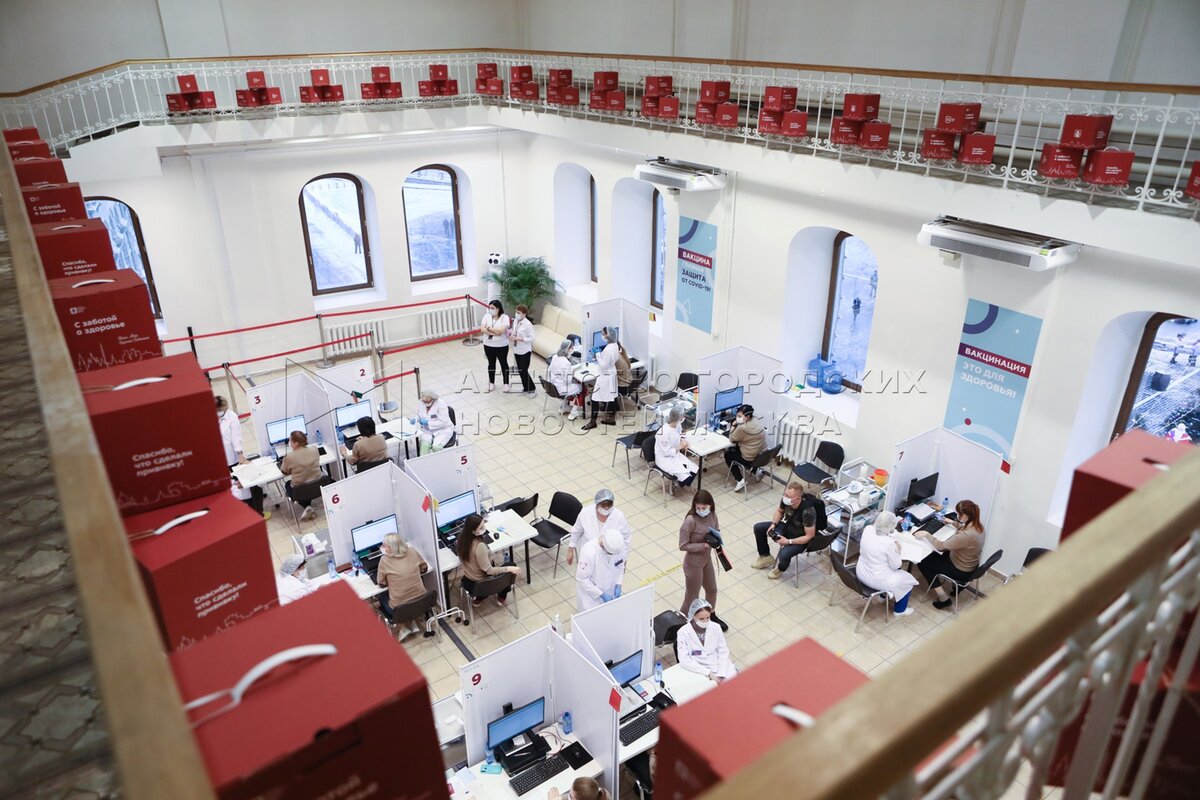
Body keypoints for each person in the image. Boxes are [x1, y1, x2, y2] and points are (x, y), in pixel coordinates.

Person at [916, 499, 985, 609]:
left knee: (923, 561)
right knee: (935, 555)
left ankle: (943, 599)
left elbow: (941, 546)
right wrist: (951, 522)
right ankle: (955, 588)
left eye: (958, 514)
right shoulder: (978, 526)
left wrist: (926, 534)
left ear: (964, 516)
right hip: (970, 564)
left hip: (961, 570)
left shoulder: (966, 536)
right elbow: (964, 528)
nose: (957, 516)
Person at [751, 483, 828, 579]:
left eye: (788, 496)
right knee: (758, 528)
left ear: (797, 499)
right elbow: (779, 511)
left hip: (801, 538)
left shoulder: (807, 511)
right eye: (785, 494)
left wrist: (788, 542)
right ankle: (765, 556)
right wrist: (774, 524)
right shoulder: (786, 500)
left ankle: (780, 569)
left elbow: (809, 536)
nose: (785, 497)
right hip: (788, 527)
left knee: (784, 554)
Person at [856, 510, 917, 617]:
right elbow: (896, 565)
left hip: (861, 572)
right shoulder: (889, 544)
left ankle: (882, 598)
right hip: (876, 580)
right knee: (908, 580)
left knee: (888, 570)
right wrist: (897, 549)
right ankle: (900, 610)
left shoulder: (868, 529)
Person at [217, 395, 268, 519]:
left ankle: (257, 512)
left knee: (247, 485)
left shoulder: (231, 417)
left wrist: (240, 455)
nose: (219, 412)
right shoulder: (209, 417)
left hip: (233, 458)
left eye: (221, 410)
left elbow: (236, 438)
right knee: (232, 487)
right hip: (220, 459)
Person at [457, 513, 520, 606]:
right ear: (474, 531)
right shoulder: (480, 546)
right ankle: (501, 595)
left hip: (469, 580)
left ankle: (480, 598)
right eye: (481, 527)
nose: (484, 529)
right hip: (482, 584)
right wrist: (509, 569)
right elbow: (489, 571)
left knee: (490, 564)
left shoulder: (461, 540)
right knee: (511, 565)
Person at [376, 532, 430, 640]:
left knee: (382, 597)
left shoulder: (384, 560)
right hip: (421, 602)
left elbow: (381, 583)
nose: (381, 547)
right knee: (407, 596)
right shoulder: (412, 551)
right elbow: (424, 568)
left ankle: (404, 627)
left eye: (384, 545)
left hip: (399, 610)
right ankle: (410, 624)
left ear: (391, 548)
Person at [679, 489, 720, 618]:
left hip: (706, 560)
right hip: (693, 564)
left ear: (710, 505)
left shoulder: (712, 515)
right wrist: (704, 546)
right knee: (692, 598)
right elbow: (683, 545)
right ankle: (681, 621)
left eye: (704, 508)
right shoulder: (690, 521)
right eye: (698, 508)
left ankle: (710, 616)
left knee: (712, 590)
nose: (701, 511)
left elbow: (717, 530)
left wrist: (716, 539)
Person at [676, 599, 737, 684]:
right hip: (697, 668)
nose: (705, 621)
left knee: (732, 684)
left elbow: (723, 650)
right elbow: (684, 659)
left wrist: (721, 673)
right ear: (693, 616)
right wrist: (707, 673)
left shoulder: (716, 627)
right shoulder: (683, 632)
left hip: (719, 664)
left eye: (708, 618)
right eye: (701, 619)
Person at [568, 488, 633, 565]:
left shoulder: (619, 517)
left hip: (609, 559)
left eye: (608, 508)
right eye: (603, 507)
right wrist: (570, 550)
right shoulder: (586, 513)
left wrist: (624, 558)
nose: (606, 510)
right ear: (597, 504)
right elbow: (576, 531)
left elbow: (626, 538)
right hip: (587, 555)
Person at [576, 530, 628, 611]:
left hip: (611, 590)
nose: (612, 556)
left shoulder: (620, 547)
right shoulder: (588, 552)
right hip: (591, 598)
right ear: (603, 546)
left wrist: (618, 583)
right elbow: (582, 578)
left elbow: (621, 566)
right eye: (610, 554)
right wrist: (601, 594)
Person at [582, 327, 620, 430]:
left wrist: (598, 354)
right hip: (611, 373)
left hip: (605, 376)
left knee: (595, 398)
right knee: (612, 396)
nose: (602, 336)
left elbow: (603, 366)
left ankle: (592, 422)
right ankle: (611, 419)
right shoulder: (615, 345)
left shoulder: (608, 350)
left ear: (608, 335)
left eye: (603, 334)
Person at [281, 430, 323, 521]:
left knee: (288, 484)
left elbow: (284, 472)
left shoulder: (288, 457)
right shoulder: (314, 449)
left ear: (296, 443)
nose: (289, 443)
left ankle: (307, 506)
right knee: (307, 482)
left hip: (299, 492)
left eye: (290, 441)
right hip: (317, 487)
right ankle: (308, 506)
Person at [725, 404, 767, 492]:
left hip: (749, 460)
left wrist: (733, 425)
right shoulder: (756, 420)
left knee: (728, 454)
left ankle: (739, 480)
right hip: (762, 456)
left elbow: (731, 438)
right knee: (745, 447)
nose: (737, 418)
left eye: (740, 416)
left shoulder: (742, 428)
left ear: (747, 417)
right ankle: (756, 471)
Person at [654, 407, 698, 486]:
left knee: (695, 469)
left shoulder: (677, 425)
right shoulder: (663, 433)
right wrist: (680, 447)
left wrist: (684, 441)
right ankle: (676, 483)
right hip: (664, 459)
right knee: (687, 479)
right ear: (678, 417)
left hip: (676, 454)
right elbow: (666, 452)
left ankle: (678, 481)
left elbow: (680, 435)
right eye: (682, 416)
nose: (684, 418)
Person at [479, 299, 511, 391]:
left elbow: (501, 330)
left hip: (502, 346)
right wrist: (494, 333)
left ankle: (506, 383)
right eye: (489, 308)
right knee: (491, 364)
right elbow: (482, 329)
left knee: (503, 364)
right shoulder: (486, 316)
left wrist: (489, 328)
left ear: (498, 308)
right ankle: (491, 382)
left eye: (492, 308)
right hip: (488, 345)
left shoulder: (505, 317)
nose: (490, 310)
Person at [547, 339, 583, 419]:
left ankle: (563, 407)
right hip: (561, 389)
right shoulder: (566, 363)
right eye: (572, 347)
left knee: (574, 383)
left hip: (551, 386)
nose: (573, 349)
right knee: (582, 387)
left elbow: (551, 370)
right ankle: (574, 412)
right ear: (567, 349)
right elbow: (568, 380)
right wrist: (571, 372)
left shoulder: (555, 356)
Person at [510, 304, 536, 395]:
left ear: (524, 314)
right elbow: (515, 331)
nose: (516, 314)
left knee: (524, 370)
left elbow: (532, 338)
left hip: (525, 351)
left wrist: (520, 339)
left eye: (518, 313)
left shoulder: (527, 324)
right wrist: (512, 335)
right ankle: (526, 388)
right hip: (517, 349)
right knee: (520, 370)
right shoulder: (515, 321)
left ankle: (532, 388)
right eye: (516, 312)